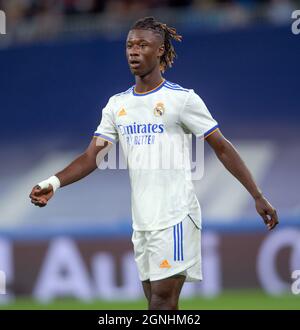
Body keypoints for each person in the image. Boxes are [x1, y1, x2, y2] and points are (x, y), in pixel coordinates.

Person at [29, 16, 279, 310]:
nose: (133, 51)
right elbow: (91, 157)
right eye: (129, 45)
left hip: (176, 216)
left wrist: (257, 195)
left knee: (162, 303)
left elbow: (222, 148)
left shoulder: (182, 99)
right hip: (143, 221)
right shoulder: (117, 105)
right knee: (156, 304)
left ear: (160, 50)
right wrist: (54, 183)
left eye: (142, 45)